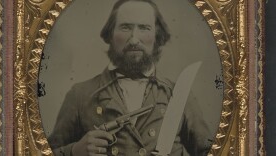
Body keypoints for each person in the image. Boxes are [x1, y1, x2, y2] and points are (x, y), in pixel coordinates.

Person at [48, 0, 213, 155]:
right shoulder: (80, 94)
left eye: (144, 28)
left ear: (158, 36)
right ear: (110, 35)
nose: (134, 39)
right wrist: (74, 151)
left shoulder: (179, 94)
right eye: (125, 27)